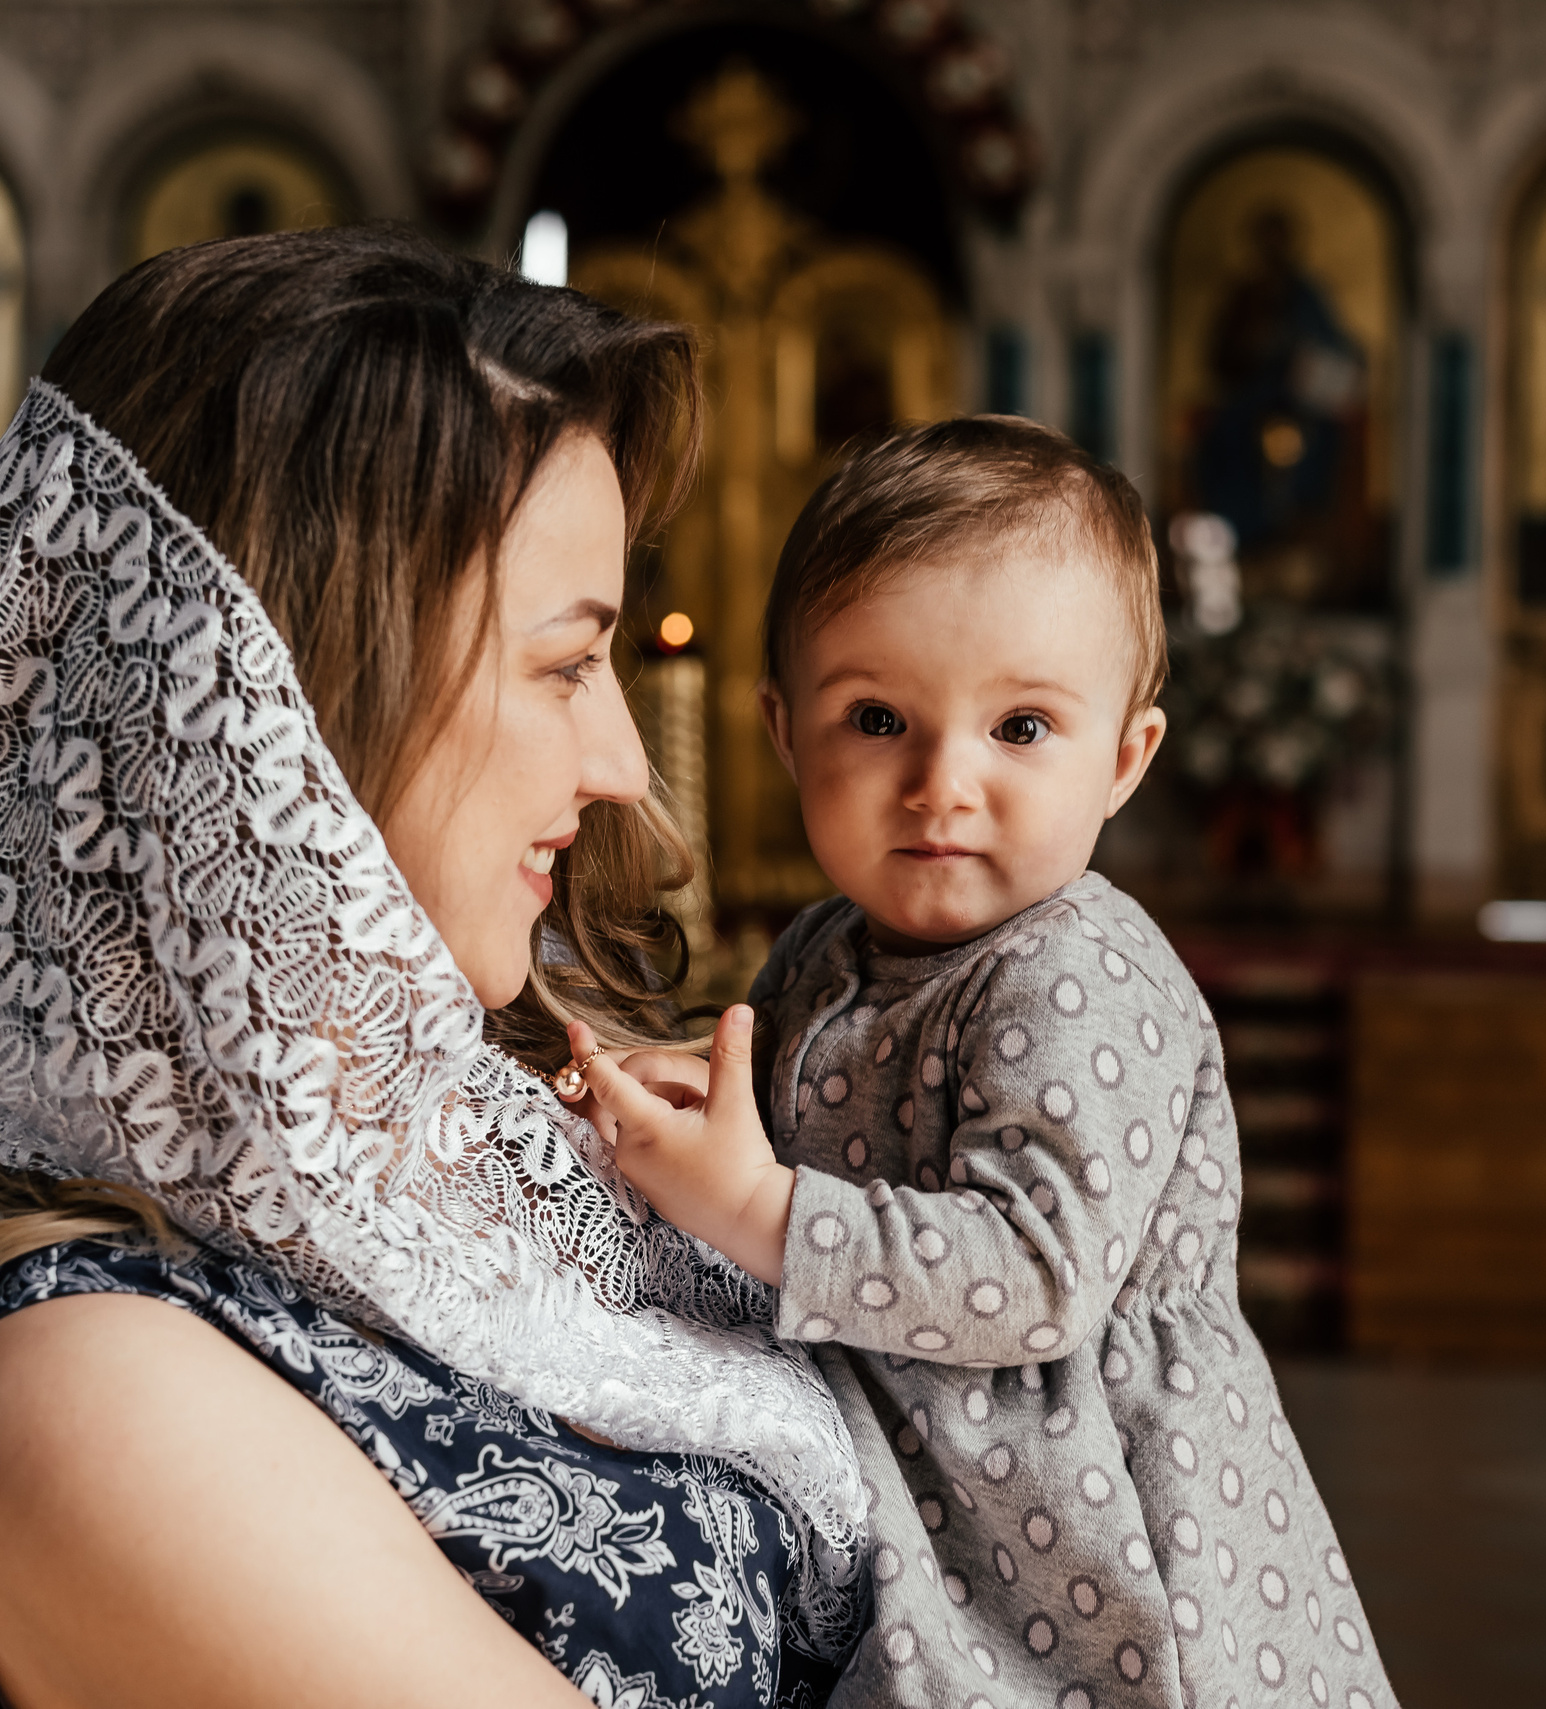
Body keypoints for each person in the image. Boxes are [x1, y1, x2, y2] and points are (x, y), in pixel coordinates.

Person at [0, 226, 868, 1709]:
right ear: (279, 706)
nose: (619, 766)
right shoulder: (82, 1390)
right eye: (559, 664)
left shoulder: (515, 1156)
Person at [568, 417, 1400, 1708]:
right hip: (953, 1498)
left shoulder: (1078, 970)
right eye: (880, 717)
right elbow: (797, 1119)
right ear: (786, 733)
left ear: (1125, 758)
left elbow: (1032, 1275)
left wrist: (751, 1209)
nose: (942, 782)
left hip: (1108, 1528)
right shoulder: (824, 946)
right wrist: (688, 1091)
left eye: (1019, 726)